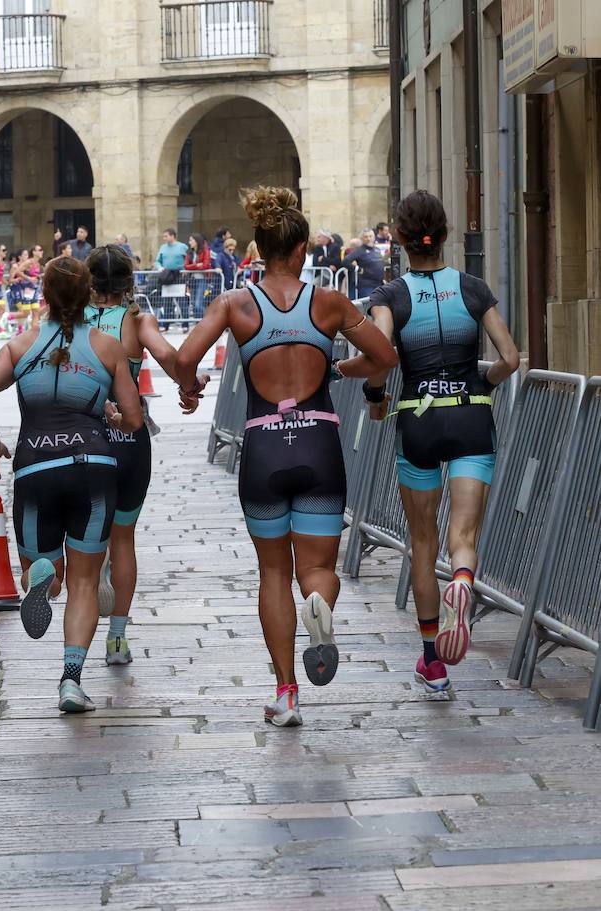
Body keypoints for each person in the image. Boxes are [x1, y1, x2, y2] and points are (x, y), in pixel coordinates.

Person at [175, 186, 397, 727]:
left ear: (258, 248)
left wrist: (191, 390)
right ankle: (319, 605)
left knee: (272, 573)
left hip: (264, 446)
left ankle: (286, 692)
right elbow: (386, 355)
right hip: (319, 442)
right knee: (316, 567)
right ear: (301, 251)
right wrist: (346, 370)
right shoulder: (328, 303)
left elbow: (184, 358)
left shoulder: (235, 303)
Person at [347, 191, 520, 692]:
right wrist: (480, 388)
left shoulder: (391, 296)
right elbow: (509, 357)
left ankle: (432, 663)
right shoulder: (473, 289)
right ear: (444, 236)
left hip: (417, 422)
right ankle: (462, 585)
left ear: (399, 239)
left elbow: (380, 356)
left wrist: (375, 398)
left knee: (421, 544)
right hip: (471, 420)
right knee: (462, 539)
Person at [0, 257, 143, 713]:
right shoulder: (107, 347)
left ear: (42, 296)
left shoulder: (20, 345)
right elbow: (135, 418)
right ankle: (70, 680)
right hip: (93, 467)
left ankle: (40, 578)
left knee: (45, 575)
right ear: (89, 296)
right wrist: (107, 414)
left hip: (35, 468)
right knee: (86, 583)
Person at [84, 244, 205, 666]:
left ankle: (78, 632)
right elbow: (172, 360)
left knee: (84, 539)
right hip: (129, 440)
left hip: (83, 439)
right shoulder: (138, 321)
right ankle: (117, 637)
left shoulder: (70, 322)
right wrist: (190, 385)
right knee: (124, 538)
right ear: (128, 282)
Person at [341, 228, 386, 299]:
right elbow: (345, 261)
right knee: (368, 307)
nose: (369, 239)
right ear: (362, 239)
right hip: (366, 286)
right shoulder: (359, 250)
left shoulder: (377, 249)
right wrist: (358, 269)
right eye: (366, 237)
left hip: (379, 284)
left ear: (374, 237)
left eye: (370, 236)